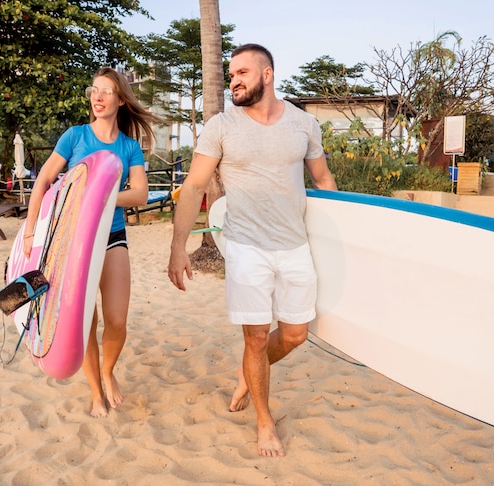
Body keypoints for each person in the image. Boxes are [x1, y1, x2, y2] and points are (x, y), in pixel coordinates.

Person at [168, 44, 337, 457]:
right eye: (231, 75)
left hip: (295, 243)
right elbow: (193, 187)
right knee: (257, 338)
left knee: (296, 334)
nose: (234, 80)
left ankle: (248, 374)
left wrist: (347, 237)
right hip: (245, 245)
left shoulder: (304, 124)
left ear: (268, 74)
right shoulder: (221, 126)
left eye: (242, 72)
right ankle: (265, 421)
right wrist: (179, 245)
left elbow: (324, 180)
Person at [23, 67, 163, 418]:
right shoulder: (75, 136)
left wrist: (96, 195)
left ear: (120, 99)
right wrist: (28, 231)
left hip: (112, 235)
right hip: (70, 239)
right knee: (86, 319)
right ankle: (96, 392)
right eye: (94, 90)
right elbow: (43, 181)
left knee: (116, 320)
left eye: (107, 91)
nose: (98, 97)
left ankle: (108, 370)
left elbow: (141, 194)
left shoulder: (128, 146)